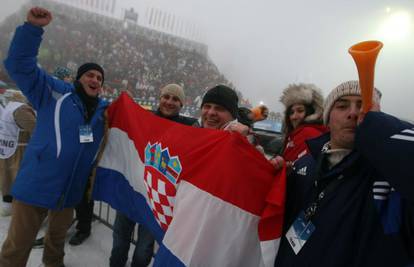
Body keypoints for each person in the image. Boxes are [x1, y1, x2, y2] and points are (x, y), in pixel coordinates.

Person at [0, 7, 108, 267]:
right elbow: (19, 65)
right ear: (79, 79)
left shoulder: (103, 112)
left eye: (99, 77)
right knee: (17, 247)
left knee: (55, 246)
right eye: (90, 74)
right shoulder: (55, 93)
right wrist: (33, 29)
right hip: (37, 184)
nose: (95, 79)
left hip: (69, 192)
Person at [274, 80, 414, 266]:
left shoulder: (387, 178)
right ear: (327, 120)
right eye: (342, 106)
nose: (354, 113)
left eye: (363, 106)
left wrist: (380, 127)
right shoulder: (305, 165)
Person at [110, 84, 196, 267]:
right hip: (131, 191)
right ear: (160, 98)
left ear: (182, 104)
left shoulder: (189, 127)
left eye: (175, 99)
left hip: (155, 200)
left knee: (144, 249)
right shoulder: (145, 118)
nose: (169, 102)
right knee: (119, 240)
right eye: (166, 97)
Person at [0, 92, 36, 216]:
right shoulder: (21, 110)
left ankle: (7, 206)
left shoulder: (8, 107)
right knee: (19, 179)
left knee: (7, 177)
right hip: (19, 150)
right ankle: (22, 211)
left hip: (6, 148)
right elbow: (36, 129)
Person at [279, 83, 326, 164]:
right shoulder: (294, 134)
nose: (294, 116)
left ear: (310, 112)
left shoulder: (309, 133)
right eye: (291, 112)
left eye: (300, 111)